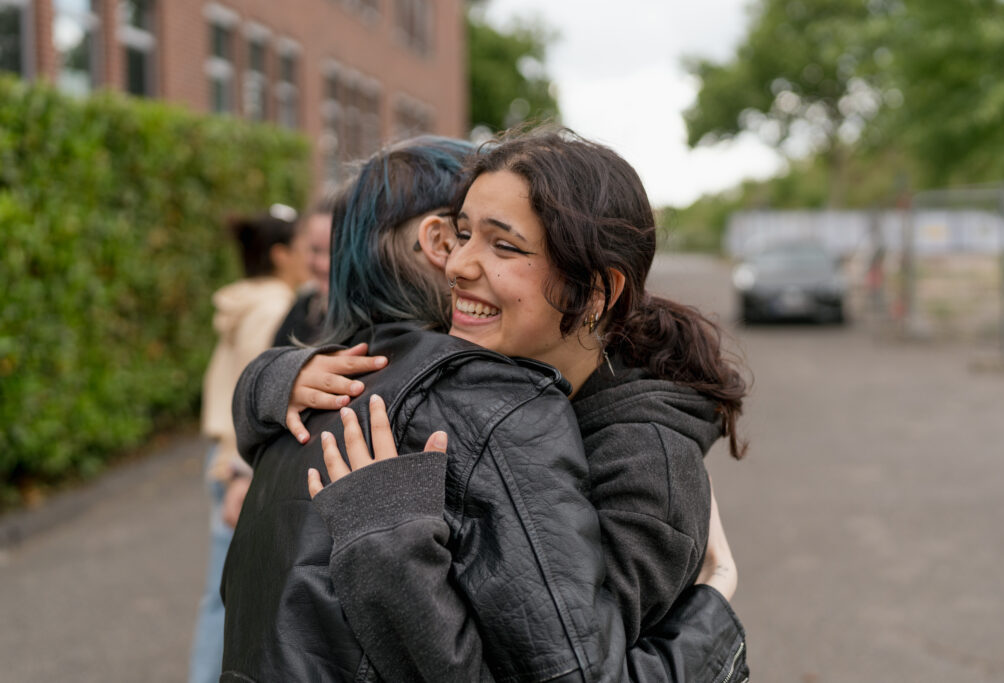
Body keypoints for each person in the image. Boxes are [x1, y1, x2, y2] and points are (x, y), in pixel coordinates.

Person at [224, 134, 748, 682]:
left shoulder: (645, 460)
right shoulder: (480, 385)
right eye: (464, 233)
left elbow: (579, 672)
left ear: (595, 293)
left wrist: (713, 626)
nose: (457, 264)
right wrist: (273, 379)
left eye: (505, 246)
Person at [187, 205, 310, 683]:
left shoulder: (243, 302)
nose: (311, 259)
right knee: (229, 602)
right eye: (304, 249)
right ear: (280, 256)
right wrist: (248, 471)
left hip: (221, 459)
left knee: (220, 597)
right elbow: (261, 397)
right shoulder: (272, 309)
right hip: (242, 465)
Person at [273, 197, 335, 346]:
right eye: (315, 250)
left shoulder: (369, 322)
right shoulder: (303, 307)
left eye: (335, 251)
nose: (323, 264)